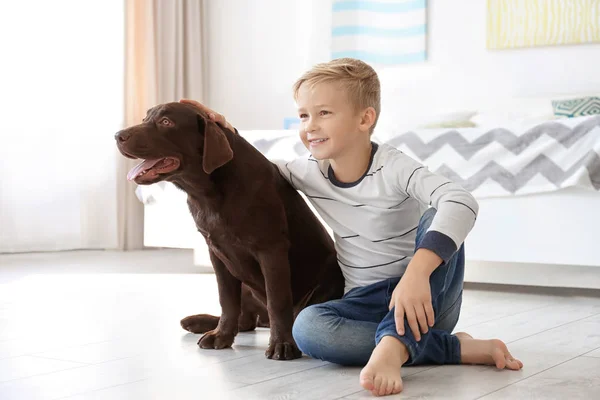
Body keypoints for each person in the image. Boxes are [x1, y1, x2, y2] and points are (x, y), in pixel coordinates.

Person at [181, 57, 523, 397]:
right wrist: (225, 132)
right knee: (308, 329)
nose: (310, 126)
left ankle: (393, 349)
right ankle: (450, 348)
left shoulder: (394, 167)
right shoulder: (308, 171)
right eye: (304, 115)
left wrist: (416, 275)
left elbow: (461, 200)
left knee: (437, 213)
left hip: (425, 300)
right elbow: (254, 171)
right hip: (363, 302)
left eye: (324, 113)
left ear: (365, 118)